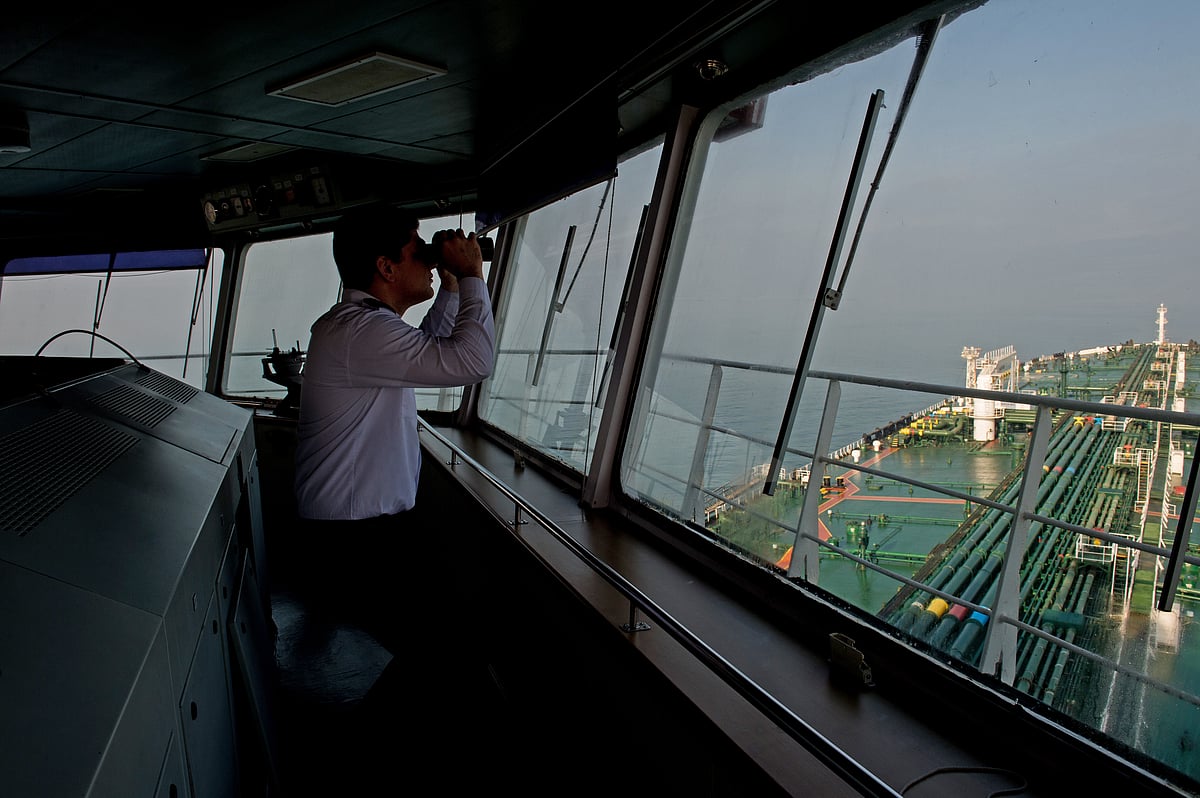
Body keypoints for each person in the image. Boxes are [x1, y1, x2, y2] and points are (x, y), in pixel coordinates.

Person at [291, 203, 495, 652]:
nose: (426, 258)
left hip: (359, 531)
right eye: (416, 249)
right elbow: (472, 360)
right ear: (385, 267)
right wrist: (473, 275)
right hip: (354, 539)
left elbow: (432, 346)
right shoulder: (360, 331)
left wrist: (453, 284)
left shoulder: (361, 328)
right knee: (434, 651)